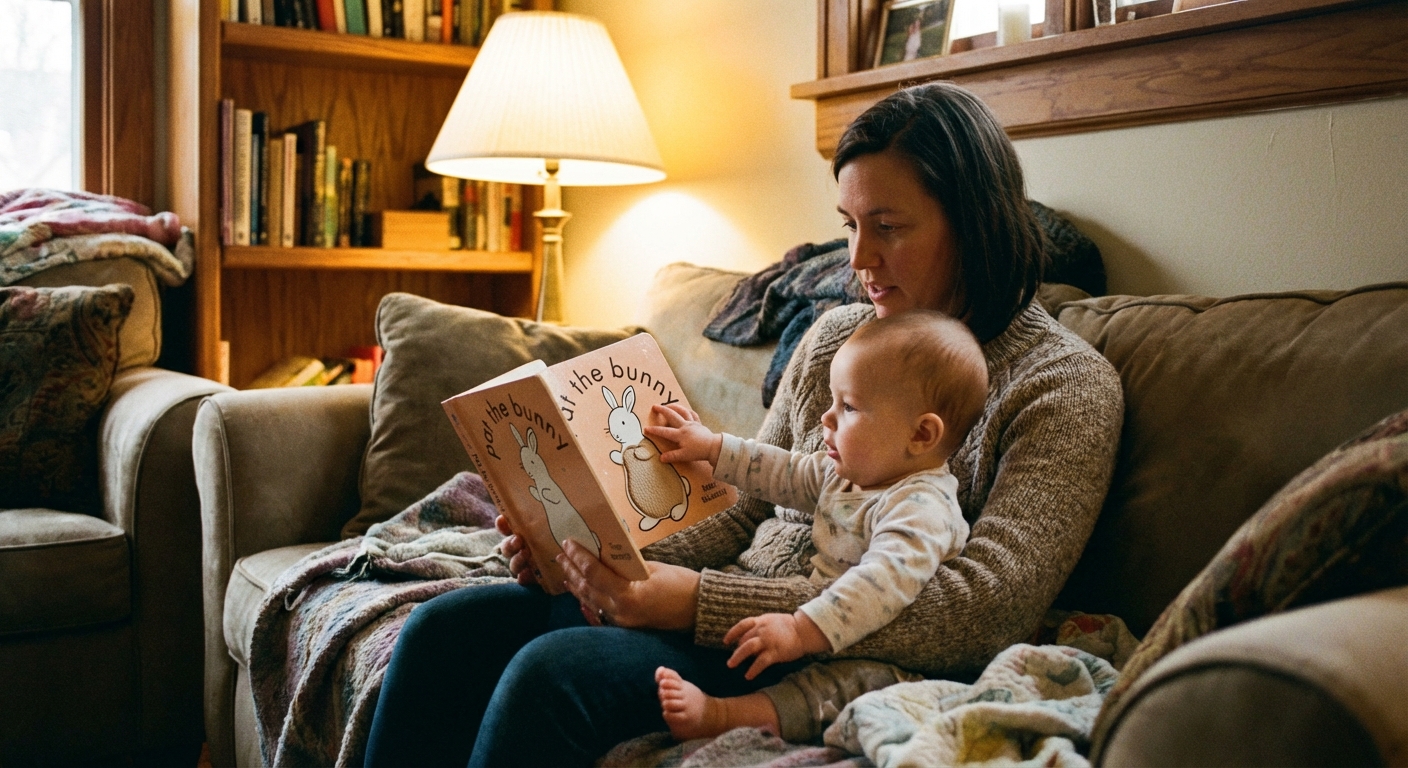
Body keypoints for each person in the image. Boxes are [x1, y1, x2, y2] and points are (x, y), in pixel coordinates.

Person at [362, 81, 1124, 767]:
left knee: (554, 675)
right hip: (732, 602)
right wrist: (598, 554)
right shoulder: (841, 335)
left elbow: (983, 607)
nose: (860, 258)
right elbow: (749, 505)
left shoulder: (1067, 388)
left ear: (975, 224)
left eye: (887, 226)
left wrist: (696, 601)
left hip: (821, 648)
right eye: (850, 224)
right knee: (443, 632)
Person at [648, 309, 989, 740]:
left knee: (842, 689)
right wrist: (712, 447)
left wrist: (799, 628)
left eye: (848, 407)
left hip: (888, 655)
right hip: (821, 628)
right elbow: (780, 471)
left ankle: (719, 716)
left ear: (921, 435)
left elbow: (882, 580)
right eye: (832, 401)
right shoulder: (846, 473)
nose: (826, 419)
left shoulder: (921, 507)